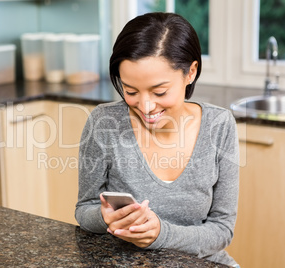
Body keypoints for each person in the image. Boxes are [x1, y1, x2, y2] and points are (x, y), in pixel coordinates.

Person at [75, 12, 240, 267]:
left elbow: (222, 230)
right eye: (130, 91)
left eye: (159, 91)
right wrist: (104, 218)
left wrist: (161, 235)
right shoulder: (103, 123)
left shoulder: (220, 125)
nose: (146, 106)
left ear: (191, 72)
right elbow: (85, 209)